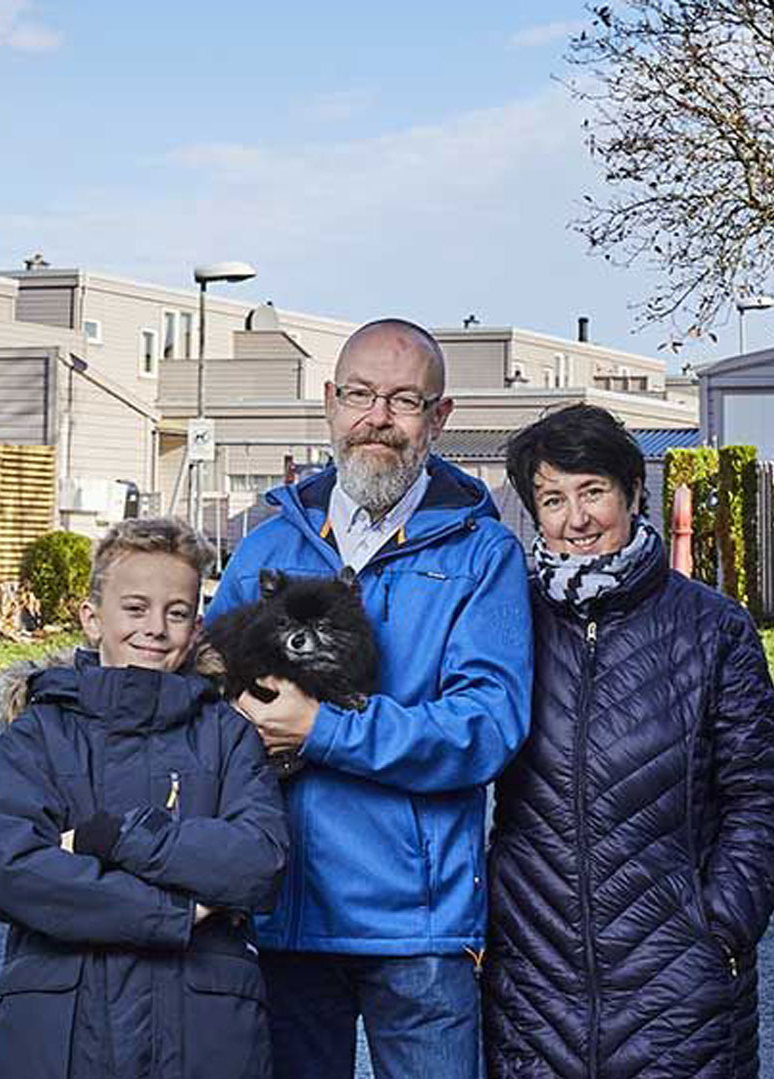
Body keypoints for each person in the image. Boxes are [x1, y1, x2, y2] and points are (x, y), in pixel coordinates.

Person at [209, 318, 533, 1079]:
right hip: (281, 909)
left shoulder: (482, 554)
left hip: (416, 926)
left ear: (439, 417)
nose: (377, 418)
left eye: (404, 400)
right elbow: (210, 692)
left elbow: (486, 725)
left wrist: (321, 729)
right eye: (359, 395)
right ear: (330, 402)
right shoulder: (268, 544)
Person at [482, 405, 774, 1079]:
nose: (576, 519)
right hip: (534, 988)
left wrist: (719, 930)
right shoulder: (506, 622)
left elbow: (763, 797)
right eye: (553, 499)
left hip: (680, 989)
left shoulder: (712, 628)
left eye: (592, 490)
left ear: (632, 492)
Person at [0, 517, 289, 1079]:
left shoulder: (227, 734)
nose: (155, 628)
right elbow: (17, 874)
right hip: (59, 1032)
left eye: (176, 612)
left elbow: (256, 862)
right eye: (135, 608)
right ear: (91, 617)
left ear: (196, 628)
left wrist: (111, 839)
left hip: (203, 1030)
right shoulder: (38, 734)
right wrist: (178, 910)